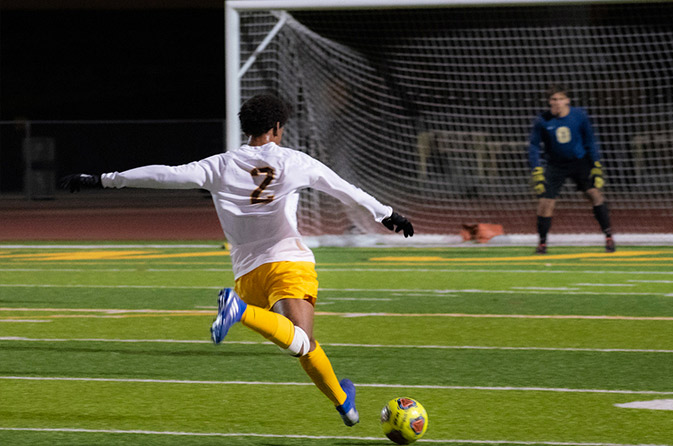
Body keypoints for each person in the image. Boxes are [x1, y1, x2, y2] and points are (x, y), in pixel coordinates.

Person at [60, 93, 414, 427]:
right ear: (276, 128)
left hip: (247, 275)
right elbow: (344, 189)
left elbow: (164, 174)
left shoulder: (220, 165)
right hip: (288, 262)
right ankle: (240, 313)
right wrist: (387, 214)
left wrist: (103, 180)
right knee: (303, 342)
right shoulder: (294, 161)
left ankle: (346, 407)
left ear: (248, 128)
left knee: (302, 344)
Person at [527, 84, 615, 254]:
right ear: (549, 102)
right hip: (555, 165)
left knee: (595, 194)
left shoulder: (579, 116)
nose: (558, 102)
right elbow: (533, 146)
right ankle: (542, 243)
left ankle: (609, 237)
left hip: (579, 162)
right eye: (554, 99)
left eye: (561, 99)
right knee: (545, 203)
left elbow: (590, 140)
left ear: (567, 100)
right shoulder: (542, 120)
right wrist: (536, 170)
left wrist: (596, 164)